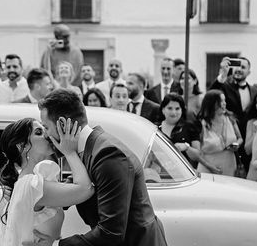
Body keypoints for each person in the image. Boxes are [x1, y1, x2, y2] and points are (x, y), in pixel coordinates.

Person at [37, 89, 168, 246]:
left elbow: (111, 233)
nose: (46, 135)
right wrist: (31, 193)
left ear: (64, 125)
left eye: (46, 128)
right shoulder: (88, 148)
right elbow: (71, 191)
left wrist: (56, 245)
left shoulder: (108, 155)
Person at [0, 116, 94, 246]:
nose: (46, 135)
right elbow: (86, 189)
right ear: (22, 146)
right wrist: (69, 152)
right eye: (38, 133)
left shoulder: (28, 182)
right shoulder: (31, 185)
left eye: (44, 129)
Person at [196, 90, 242, 176]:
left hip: (229, 168)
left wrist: (237, 144)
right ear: (212, 104)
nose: (224, 103)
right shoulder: (201, 124)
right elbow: (197, 152)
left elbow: (240, 138)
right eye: (221, 101)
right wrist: (210, 167)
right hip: (208, 169)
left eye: (224, 100)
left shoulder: (230, 119)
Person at [157, 93, 200, 167]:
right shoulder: (155, 128)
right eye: (170, 108)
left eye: (177, 109)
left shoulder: (190, 127)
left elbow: (198, 155)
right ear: (163, 110)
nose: (174, 112)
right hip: (160, 172)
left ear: (182, 110)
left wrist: (187, 148)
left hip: (184, 173)